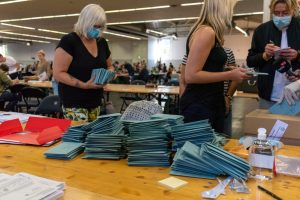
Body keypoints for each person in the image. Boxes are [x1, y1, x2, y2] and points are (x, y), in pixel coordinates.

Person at [180, 0, 249, 133]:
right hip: (200, 105)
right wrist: (229, 75)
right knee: (199, 152)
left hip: (210, 103)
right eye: (230, 9)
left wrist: (228, 70)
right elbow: (191, 75)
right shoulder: (206, 32)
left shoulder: (209, 32)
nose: (231, 13)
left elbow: (206, 67)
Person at [53, 4, 113, 122]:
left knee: (91, 138)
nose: (98, 30)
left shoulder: (102, 43)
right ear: (85, 22)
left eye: (100, 27)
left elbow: (110, 66)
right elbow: (58, 73)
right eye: (95, 26)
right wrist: (84, 85)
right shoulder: (69, 41)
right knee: (79, 137)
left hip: (95, 100)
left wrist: (109, 75)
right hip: (74, 103)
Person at [247, 0, 300, 109]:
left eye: (285, 13)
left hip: (296, 96)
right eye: (276, 13)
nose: (280, 17)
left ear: (293, 11)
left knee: (293, 126)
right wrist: (265, 55)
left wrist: (297, 55)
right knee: (267, 126)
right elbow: (250, 61)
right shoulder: (262, 30)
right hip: (268, 97)